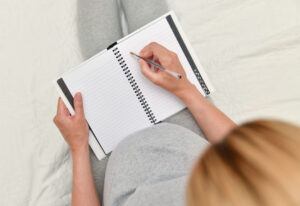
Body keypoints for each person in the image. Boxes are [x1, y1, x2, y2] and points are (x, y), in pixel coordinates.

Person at [54, 1, 300, 206]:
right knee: (153, 29)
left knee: (99, 53)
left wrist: (78, 147)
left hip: (114, 163)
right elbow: (246, 156)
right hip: (187, 135)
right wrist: (186, 90)